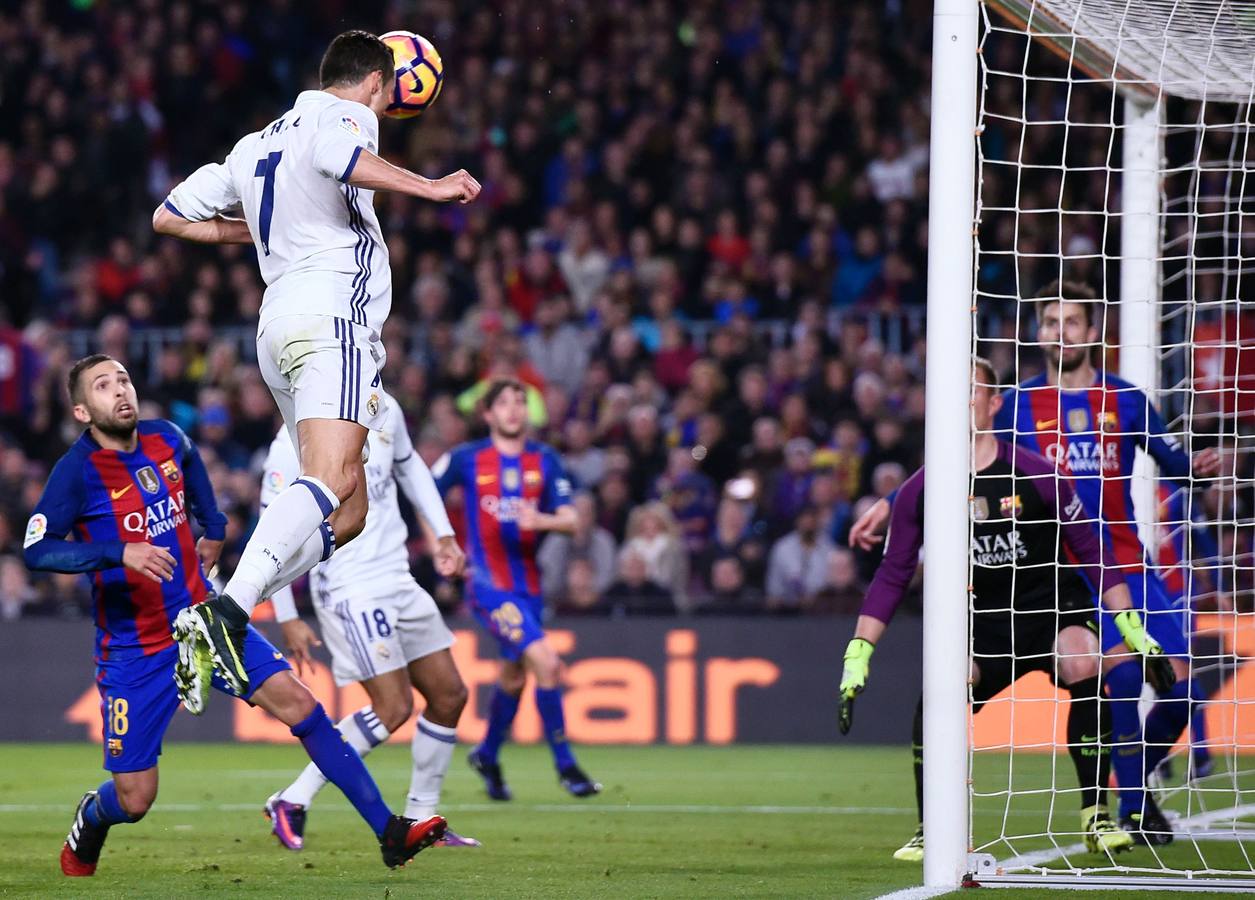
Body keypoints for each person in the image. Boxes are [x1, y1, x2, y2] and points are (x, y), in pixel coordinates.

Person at [152, 30, 481, 705]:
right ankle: (225, 610)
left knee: (350, 507)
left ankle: (225, 606)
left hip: (278, 326)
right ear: (376, 83)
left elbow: (170, 216)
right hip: (332, 317)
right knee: (330, 480)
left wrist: (252, 233)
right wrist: (430, 186)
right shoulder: (345, 114)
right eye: (388, 93)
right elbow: (339, 154)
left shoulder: (253, 144)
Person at [23, 356, 445, 877]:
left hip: (204, 620)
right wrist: (119, 552)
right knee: (136, 797)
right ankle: (94, 815)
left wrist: (215, 526)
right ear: (84, 411)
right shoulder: (76, 472)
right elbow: (38, 550)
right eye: (104, 387)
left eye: (125, 380)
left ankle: (390, 832)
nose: (121, 392)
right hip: (135, 649)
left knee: (302, 706)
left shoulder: (167, 438)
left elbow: (195, 470)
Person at [838, 356, 1174, 863]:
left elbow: (1094, 551)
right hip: (981, 621)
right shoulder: (921, 490)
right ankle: (933, 826)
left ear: (994, 404)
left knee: (1084, 659)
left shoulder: (1038, 474)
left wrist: (1131, 628)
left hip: (1050, 609)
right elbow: (893, 574)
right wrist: (859, 652)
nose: (959, 401)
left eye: (970, 391)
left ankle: (1095, 815)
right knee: (940, 689)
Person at [993, 281, 1220, 843]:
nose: (1061, 332)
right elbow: (979, 464)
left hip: (1132, 565)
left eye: (1073, 322)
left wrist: (1200, 467)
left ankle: (1134, 788)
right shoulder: (1016, 405)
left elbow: (1172, 464)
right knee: (1117, 679)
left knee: (1184, 693)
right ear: (1039, 332)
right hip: (1069, 577)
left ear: (1092, 333)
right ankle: (1133, 812)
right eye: (1052, 322)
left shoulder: (1125, 399)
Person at [261, 391, 480, 849]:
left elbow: (410, 465)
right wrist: (286, 615)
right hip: (347, 586)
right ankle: (294, 798)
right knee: (393, 707)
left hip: (397, 575)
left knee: (450, 695)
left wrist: (442, 534)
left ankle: (424, 816)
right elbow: (271, 527)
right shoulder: (293, 440)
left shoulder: (385, 408)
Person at [433, 379, 601, 799]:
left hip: (529, 585)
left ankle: (487, 754)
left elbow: (572, 519)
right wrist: (443, 544)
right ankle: (567, 767)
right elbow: (424, 496)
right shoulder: (467, 458)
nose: (513, 410)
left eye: (520, 403)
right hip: (487, 584)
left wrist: (540, 521)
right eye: (504, 403)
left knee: (513, 677)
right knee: (546, 662)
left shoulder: (545, 460)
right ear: (487, 414)